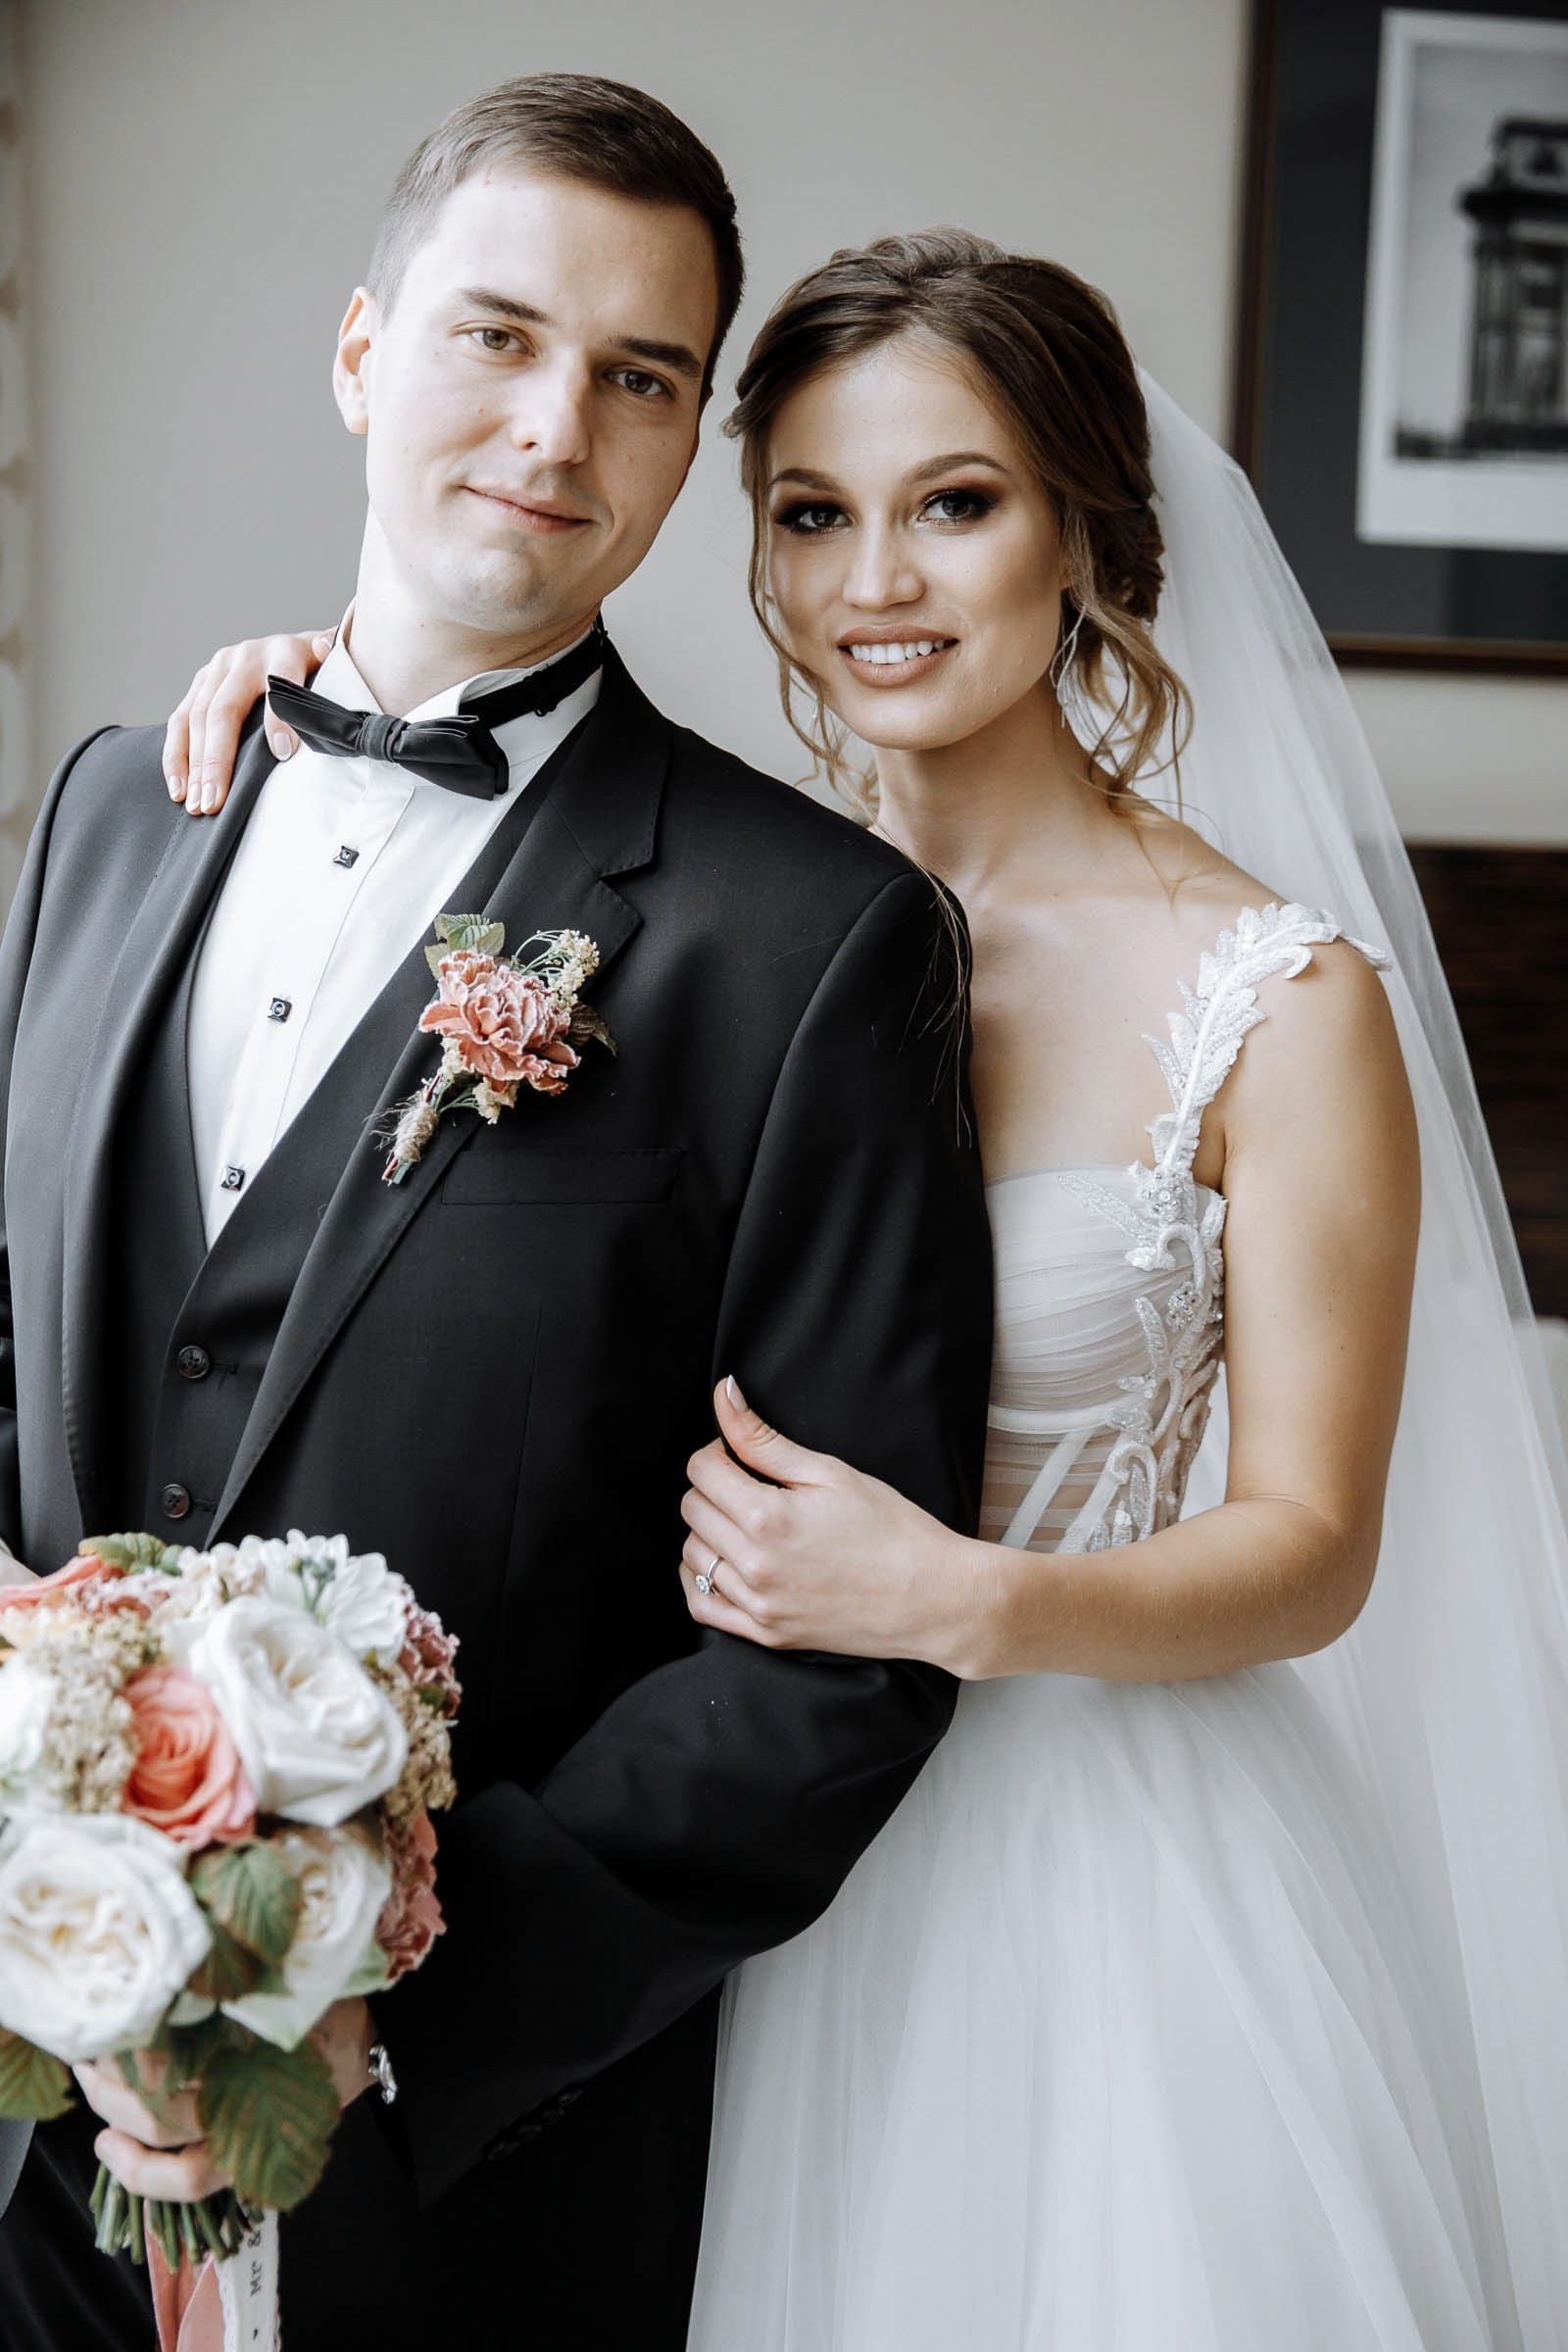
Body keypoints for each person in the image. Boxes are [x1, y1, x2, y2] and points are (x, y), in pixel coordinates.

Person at [186, 232, 1568, 2349]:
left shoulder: (1280, 1004)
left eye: (957, 504)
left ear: (1082, 530)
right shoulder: (698, 910)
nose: (875, 583)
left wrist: (962, 1599)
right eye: (813, 515)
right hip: (691, 1852)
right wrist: (326, 712)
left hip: (1086, 1871)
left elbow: (1311, 1547)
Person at [0, 89, 996, 2352]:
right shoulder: (112, 810)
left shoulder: (809, 940)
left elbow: (829, 1658)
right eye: (497, 336)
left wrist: (375, 2007)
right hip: (25, 2118)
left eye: (639, 377)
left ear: (685, 445)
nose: (557, 427)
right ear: (363, 351)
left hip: (465, 2195)